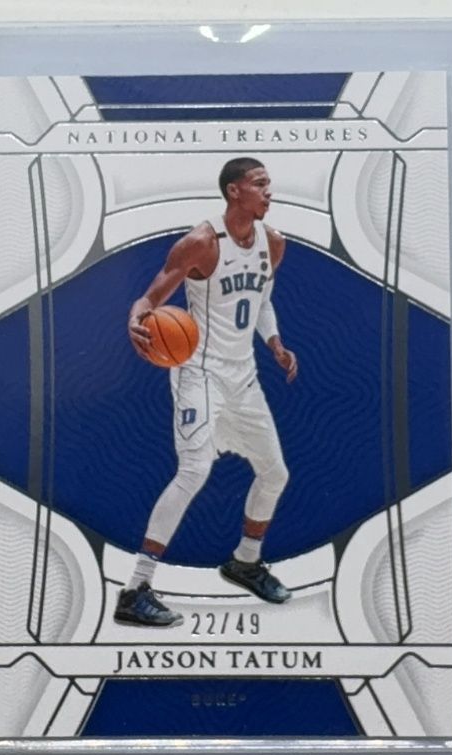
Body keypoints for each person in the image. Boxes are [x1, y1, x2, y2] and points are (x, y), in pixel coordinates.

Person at [114, 157, 298, 627]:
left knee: (275, 473)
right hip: (199, 373)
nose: (269, 191)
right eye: (260, 184)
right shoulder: (201, 242)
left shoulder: (273, 242)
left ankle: (245, 563)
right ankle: (135, 590)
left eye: (269, 183)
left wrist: (275, 343)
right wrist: (136, 317)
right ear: (234, 191)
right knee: (194, 471)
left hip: (243, 376)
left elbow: (261, 301)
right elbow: (151, 296)